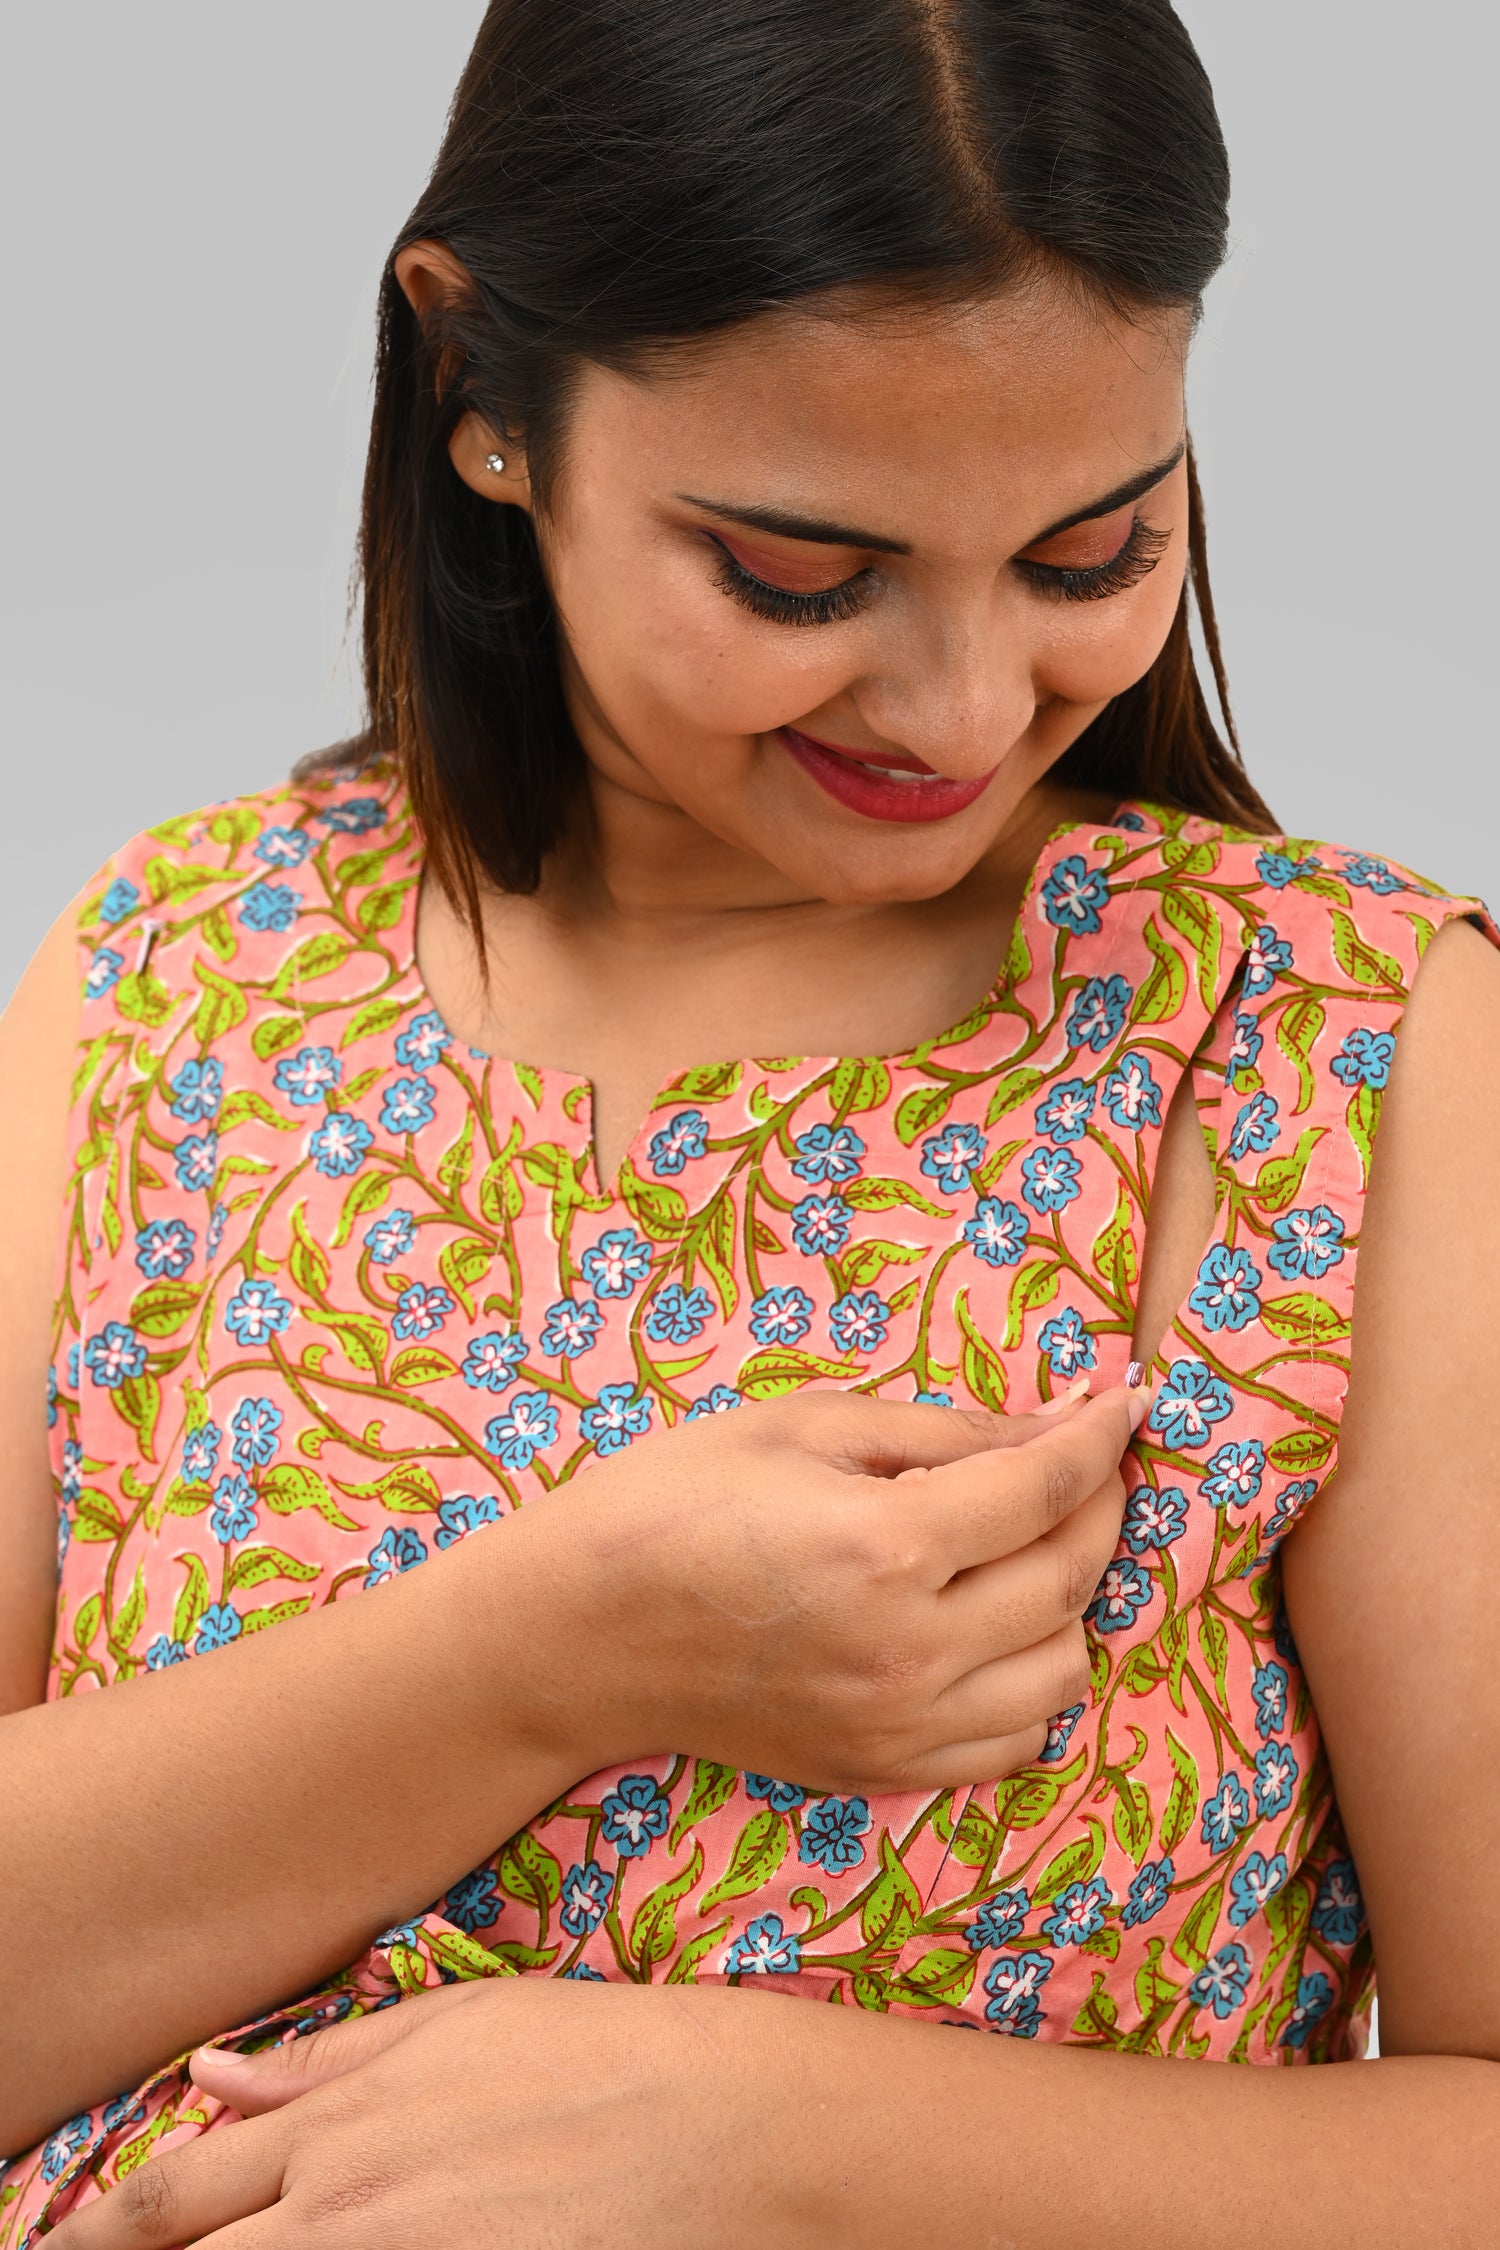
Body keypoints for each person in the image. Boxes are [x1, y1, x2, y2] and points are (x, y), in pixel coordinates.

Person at [3, 0, 1498, 2240]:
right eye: (802, 577)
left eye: (1093, 554)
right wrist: (557, 1647)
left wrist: (770, 2137)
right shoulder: (179, 965)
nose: (962, 702)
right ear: (483, 399)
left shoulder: (1319, 1043)